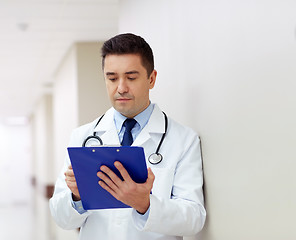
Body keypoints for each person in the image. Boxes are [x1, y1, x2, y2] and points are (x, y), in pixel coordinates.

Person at [49, 33, 206, 240]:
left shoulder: (183, 140)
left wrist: (145, 204)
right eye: (112, 78)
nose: (121, 88)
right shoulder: (83, 137)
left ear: (151, 79)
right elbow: (61, 218)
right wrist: (77, 196)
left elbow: (194, 218)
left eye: (131, 77)